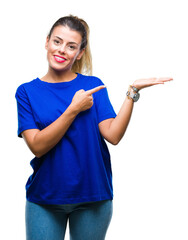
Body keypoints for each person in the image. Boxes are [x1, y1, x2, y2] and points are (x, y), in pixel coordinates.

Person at [15, 15, 172, 240]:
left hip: (93, 197)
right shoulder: (26, 91)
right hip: (44, 198)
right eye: (57, 42)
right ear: (47, 41)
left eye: (71, 46)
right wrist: (73, 109)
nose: (61, 50)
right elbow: (37, 146)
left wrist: (132, 92)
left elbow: (113, 135)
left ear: (79, 53)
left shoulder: (92, 86)